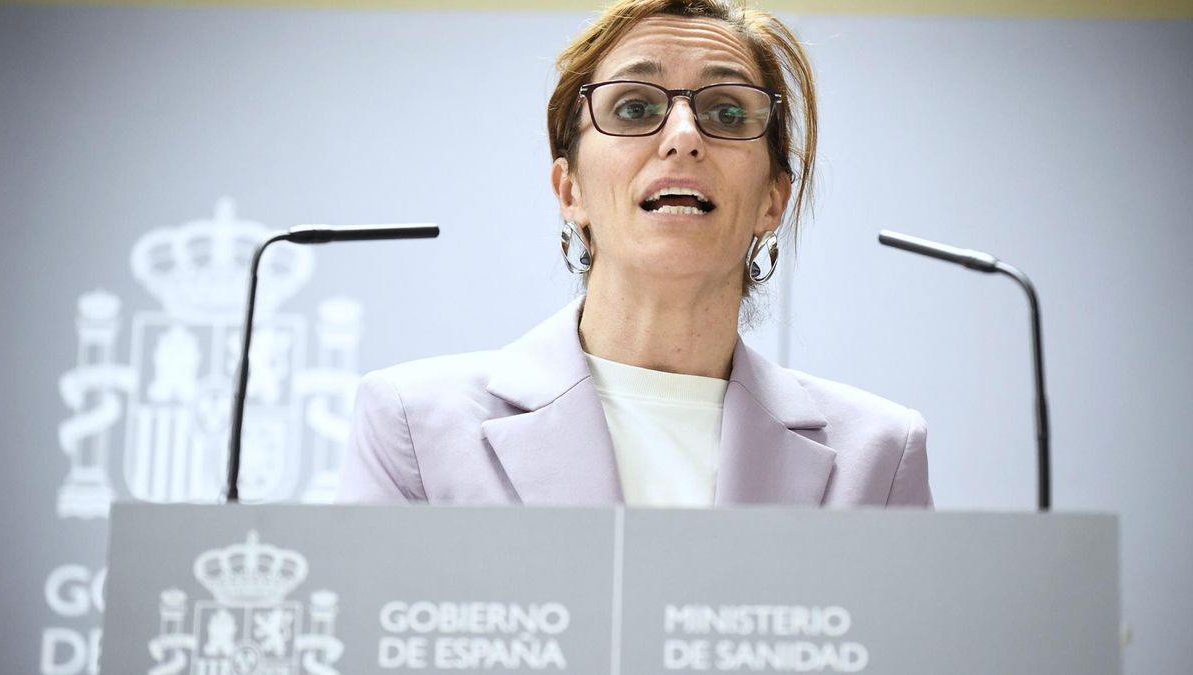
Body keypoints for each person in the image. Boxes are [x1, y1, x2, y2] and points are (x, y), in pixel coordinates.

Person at [338, 0, 931, 508]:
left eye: (727, 112)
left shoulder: (878, 457)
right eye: (635, 108)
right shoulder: (414, 424)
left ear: (773, 201)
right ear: (571, 190)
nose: (684, 137)